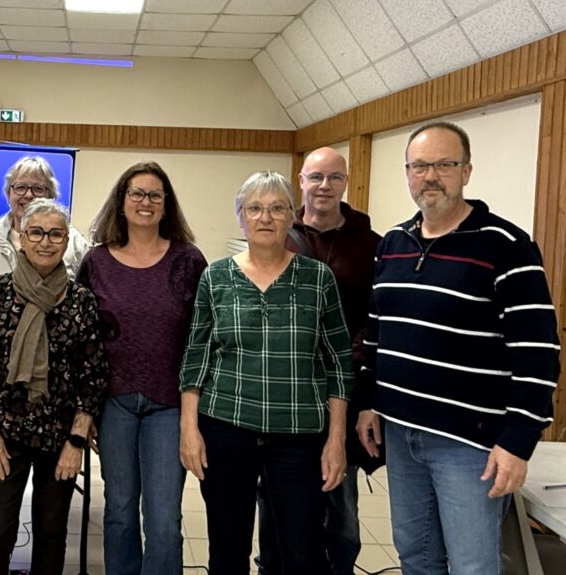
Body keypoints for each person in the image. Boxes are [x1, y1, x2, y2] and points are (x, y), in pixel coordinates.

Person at [357, 121, 560, 575]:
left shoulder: (506, 246)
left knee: (472, 565)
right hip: (402, 434)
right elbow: (376, 334)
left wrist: (517, 442)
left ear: (466, 171)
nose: (431, 176)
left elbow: (539, 353)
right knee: (416, 557)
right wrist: (368, 404)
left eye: (444, 165)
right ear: (407, 173)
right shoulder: (392, 244)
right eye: (420, 166)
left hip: (469, 445)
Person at [179, 171, 353, 575]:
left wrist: (336, 440)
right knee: (226, 549)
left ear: (292, 216)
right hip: (226, 429)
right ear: (241, 217)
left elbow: (338, 363)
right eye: (254, 208)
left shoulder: (317, 279)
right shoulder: (216, 276)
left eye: (277, 208)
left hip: (299, 436)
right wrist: (189, 429)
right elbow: (195, 357)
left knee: (302, 551)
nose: (265, 217)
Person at [0, 198, 108, 575]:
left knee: (51, 534)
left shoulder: (80, 302)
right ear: (21, 239)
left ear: (66, 240)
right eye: (36, 232)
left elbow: (92, 377)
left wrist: (76, 443)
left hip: (59, 439)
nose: (46, 241)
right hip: (3, 434)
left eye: (55, 233)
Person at [76, 161, 207, 575]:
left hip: (169, 405)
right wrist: (85, 410)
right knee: (119, 513)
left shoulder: (189, 260)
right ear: (122, 200)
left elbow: (201, 338)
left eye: (154, 195)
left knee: (165, 520)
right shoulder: (96, 261)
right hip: (113, 404)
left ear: (166, 205)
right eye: (136, 193)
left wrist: (192, 416)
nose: (145, 202)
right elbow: (80, 339)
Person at [256, 148, 381, 575]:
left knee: (340, 505)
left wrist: (351, 363)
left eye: (334, 177)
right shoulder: (278, 235)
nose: (324, 186)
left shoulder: (372, 246)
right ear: (301, 181)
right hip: (284, 391)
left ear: (346, 183)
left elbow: (375, 318)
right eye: (315, 177)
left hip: (342, 387)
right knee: (275, 502)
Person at [0, 155, 89, 307]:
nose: (29, 195)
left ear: (50, 196)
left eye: (38, 189)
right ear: (8, 194)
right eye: (20, 187)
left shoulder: (75, 243)